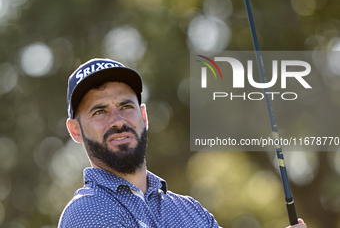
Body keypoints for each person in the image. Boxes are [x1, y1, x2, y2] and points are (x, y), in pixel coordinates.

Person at [58, 58, 307, 228]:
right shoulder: (87, 212)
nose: (118, 120)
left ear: (143, 116)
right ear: (75, 130)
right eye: (100, 111)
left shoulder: (192, 211)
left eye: (126, 106)